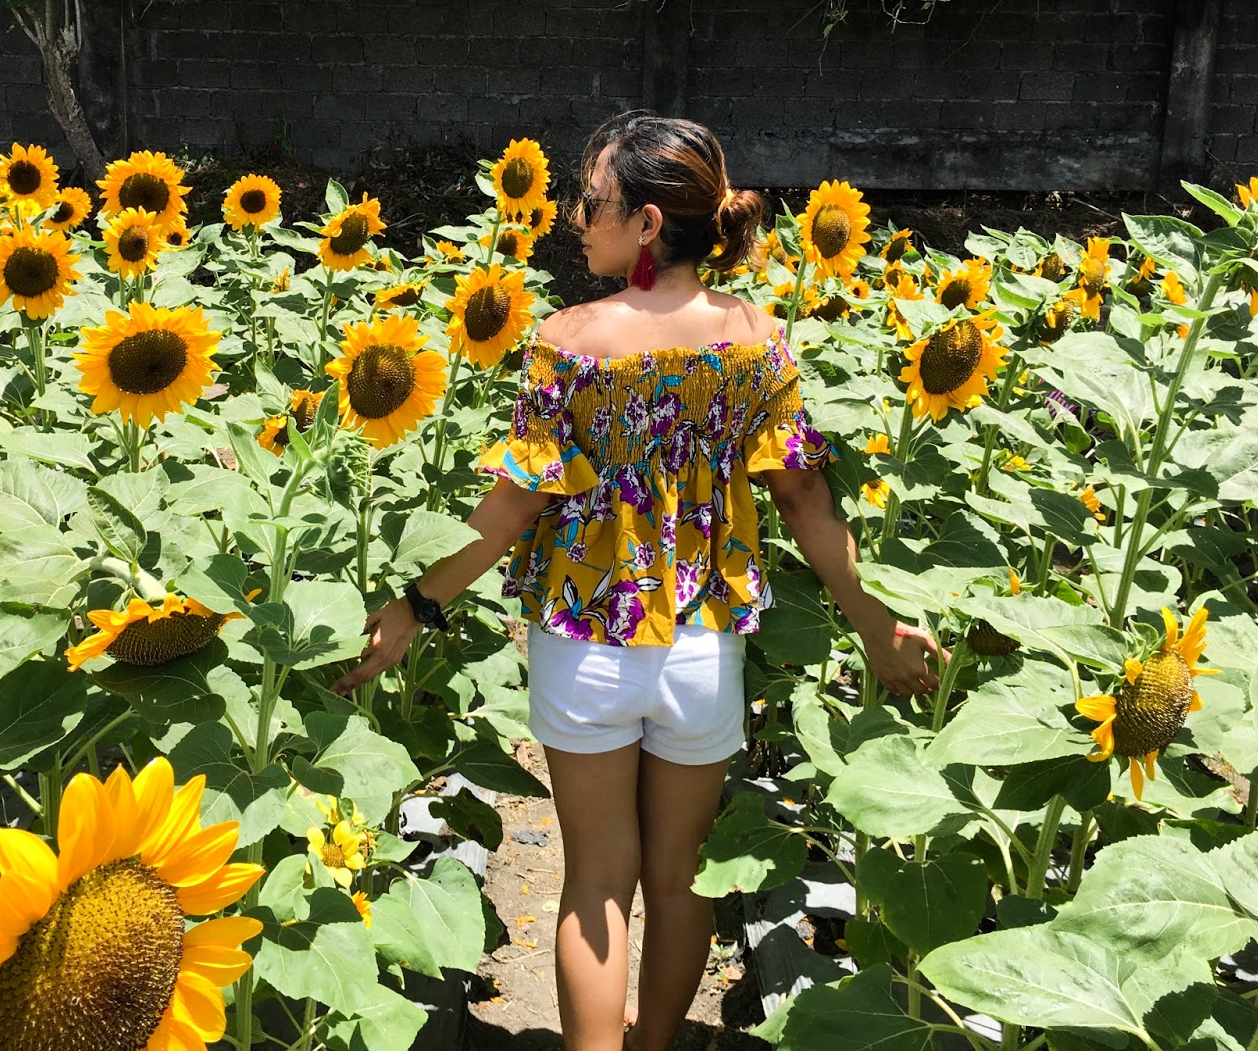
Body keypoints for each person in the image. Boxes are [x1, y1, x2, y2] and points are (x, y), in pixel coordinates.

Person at [331, 111, 944, 1051]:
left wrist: (416, 607)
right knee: (680, 879)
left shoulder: (568, 341)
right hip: (702, 651)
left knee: (593, 885)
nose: (577, 220)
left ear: (649, 223)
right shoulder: (754, 338)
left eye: (592, 202)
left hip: (585, 650)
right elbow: (806, 497)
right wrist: (872, 622)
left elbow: (513, 509)